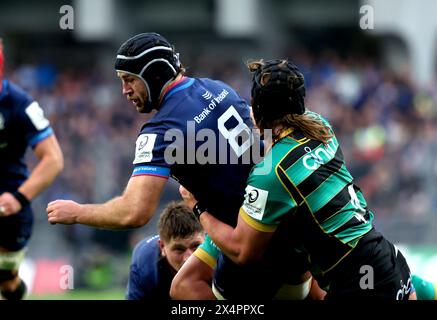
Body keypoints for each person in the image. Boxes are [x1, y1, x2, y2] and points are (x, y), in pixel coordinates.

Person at [46, 32, 313, 300]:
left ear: (153, 74)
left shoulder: (161, 130)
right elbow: (258, 150)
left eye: (129, 80)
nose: (125, 91)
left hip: (253, 243)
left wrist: (77, 212)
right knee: (184, 284)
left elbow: (134, 212)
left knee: (200, 290)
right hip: (287, 225)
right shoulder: (218, 88)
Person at [179, 58, 417, 300]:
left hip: (358, 281)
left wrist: (198, 208)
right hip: (388, 259)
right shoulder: (320, 126)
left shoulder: (271, 173)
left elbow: (242, 252)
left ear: (257, 109)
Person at [0, 38, 64, 300]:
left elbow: (54, 159)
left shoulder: (19, 104)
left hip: (9, 211)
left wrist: (18, 198)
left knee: (7, 281)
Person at [126, 201, 204, 300]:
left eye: (195, 246)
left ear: (206, 239)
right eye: (179, 249)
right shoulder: (145, 265)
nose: (188, 258)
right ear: (162, 247)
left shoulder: (221, 253)